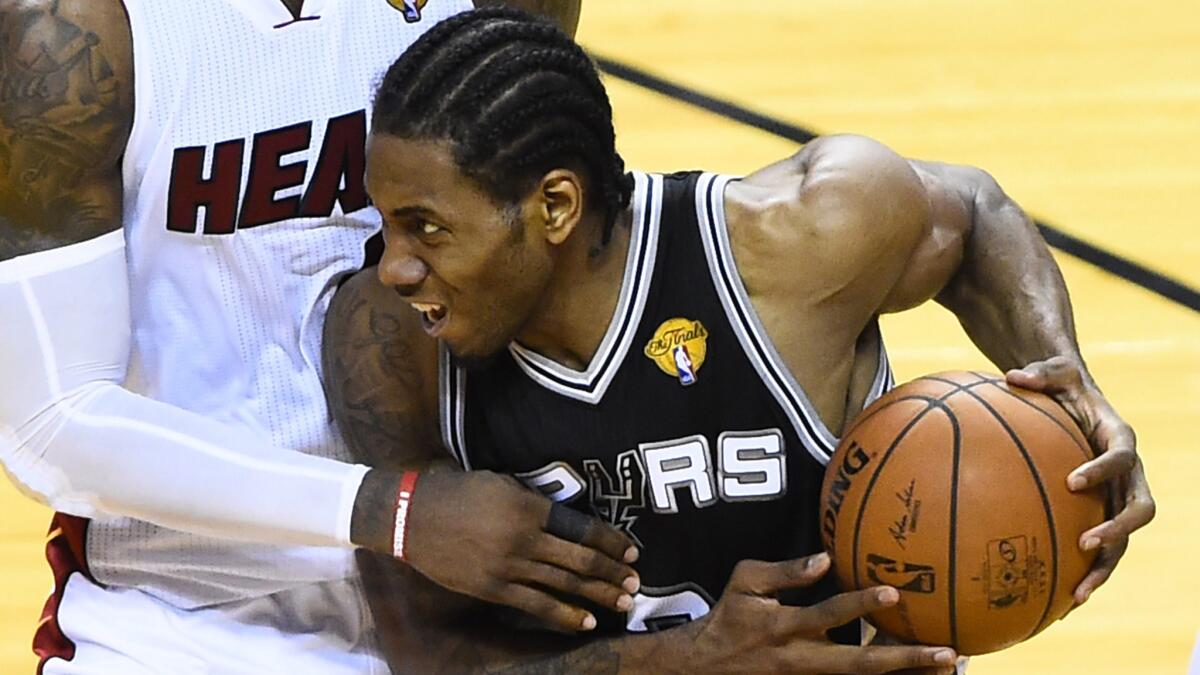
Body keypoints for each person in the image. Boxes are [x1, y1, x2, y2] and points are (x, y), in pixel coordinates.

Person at [323, 8, 1156, 673]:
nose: (390, 267)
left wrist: (1068, 385)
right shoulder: (386, 346)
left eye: (425, 229)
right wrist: (689, 661)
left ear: (554, 208)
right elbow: (429, 655)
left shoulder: (791, 248)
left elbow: (973, 218)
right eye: (387, 225)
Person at [0, 1, 644, 673]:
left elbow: (573, 250)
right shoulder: (71, 28)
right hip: (177, 620)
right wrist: (386, 510)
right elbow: (52, 422)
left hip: (478, 592)